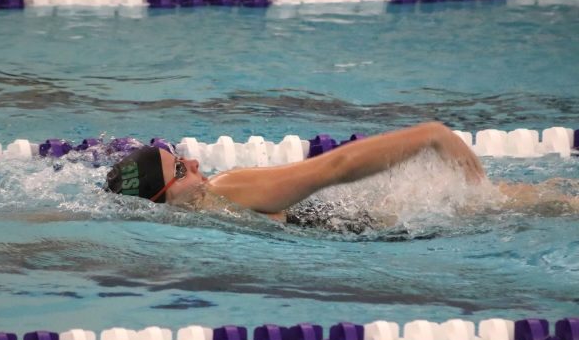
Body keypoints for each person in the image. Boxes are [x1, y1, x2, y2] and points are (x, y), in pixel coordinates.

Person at [105, 122, 486, 221]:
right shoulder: (221, 193)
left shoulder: (217, 198)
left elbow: (331, 171)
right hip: (389, 220)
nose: (194, 163)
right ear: (163, 195)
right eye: (179, 167)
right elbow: (334, 167)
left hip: (386, 219)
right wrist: (429, 134)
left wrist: (430, 136)